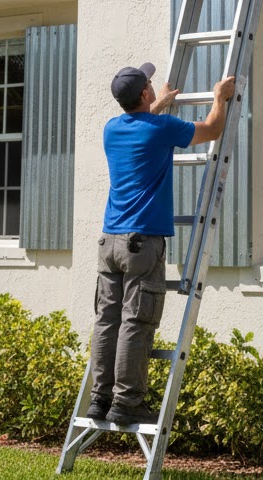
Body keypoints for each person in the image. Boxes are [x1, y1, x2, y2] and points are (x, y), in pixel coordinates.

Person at [87, 60, 236, 425]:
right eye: (149, 84)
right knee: (136, 322)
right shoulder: (161, 127)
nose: (153, 86)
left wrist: (158, 104)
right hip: (141, 243)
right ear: (144, 93)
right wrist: (219, 97)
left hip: (109, 242)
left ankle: (100, 399)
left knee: (107, 322)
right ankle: (126, 403)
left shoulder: (112, 129)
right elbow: (213, 128)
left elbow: (141, 122)